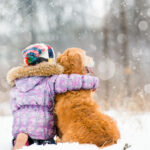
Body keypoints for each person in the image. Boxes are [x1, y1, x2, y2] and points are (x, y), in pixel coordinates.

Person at [7, 43, 99, 150]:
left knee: (23, 132)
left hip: (20, 127)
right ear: (48, 59)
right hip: (43, 132)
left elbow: (13, 107)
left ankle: (22, 139)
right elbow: (71, 81)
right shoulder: (51, 80)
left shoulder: (18, 83)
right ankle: (39, 142)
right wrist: (92, 82)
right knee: (47, 144)